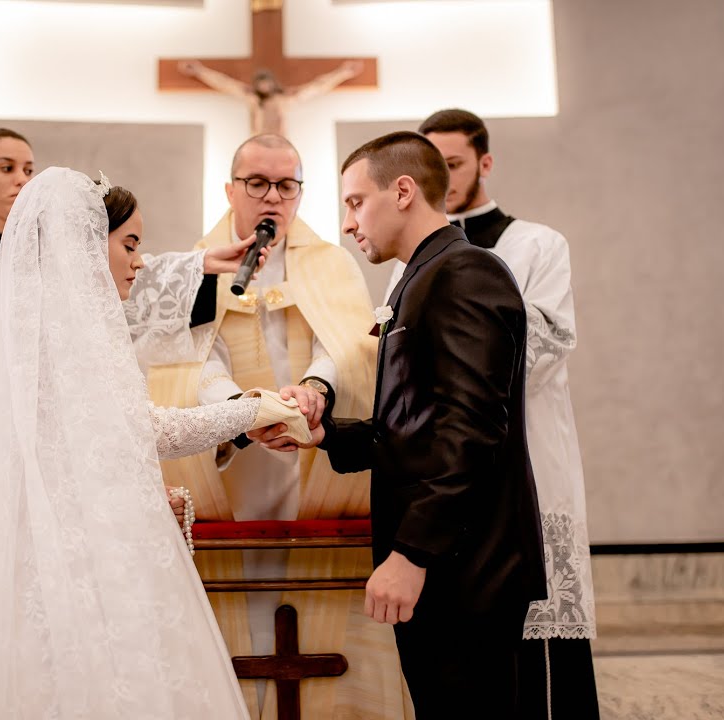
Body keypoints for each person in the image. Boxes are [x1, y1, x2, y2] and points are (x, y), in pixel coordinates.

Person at [0, 129, 272, 716]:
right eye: (6, 166)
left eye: (28, 166)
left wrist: (202, 265)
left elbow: (132, 288)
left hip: (41, 488)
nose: (20, 177)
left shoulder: (53, 293)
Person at [273, 130, 546, 718]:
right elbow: (415, 427)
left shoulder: (465, 272)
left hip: (465, 565)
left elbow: (471, 432)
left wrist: (412, 554)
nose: (348, 223)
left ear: (402, 191)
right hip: (449, 561)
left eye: (353, 201)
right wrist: (324, 433)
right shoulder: (422, 277)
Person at [147, 133, 411, 718]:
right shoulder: (198, 264)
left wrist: (316, 391)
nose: (272, 198)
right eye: (257, 184)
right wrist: (242, 412)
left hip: (314, 454)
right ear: (230, 189)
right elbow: (190, 358)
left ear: (299, 191)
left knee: (308, 592)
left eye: (286, 185)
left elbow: (345, 343)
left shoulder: (330, 262)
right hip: (232, 461)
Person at [391, 108, 600, 719]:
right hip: (449, 468)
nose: (442, 175)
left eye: (452, 164)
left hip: (529, 453)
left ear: (484, 162)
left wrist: (455, 345)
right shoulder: (412, 261)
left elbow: (548, 344)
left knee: (541, 642)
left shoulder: (536, 243)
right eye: (430, 164)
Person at [178, 60, 363, 136]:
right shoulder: (251, 98)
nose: (264, 86)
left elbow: (317, 87)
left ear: (274, 83)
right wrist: (200, 71)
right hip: (257, 142)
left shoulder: (285, 99)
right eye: (260, 82)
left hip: (280, 143)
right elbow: (224, 84)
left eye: (267, 82)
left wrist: (343, 72)